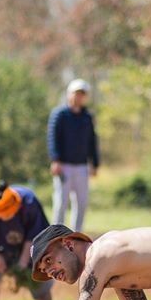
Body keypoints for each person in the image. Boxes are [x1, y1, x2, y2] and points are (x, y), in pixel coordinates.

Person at [48, 78, 99, 231]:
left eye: (82, 94)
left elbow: (92, 140)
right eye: (76, 93)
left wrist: (95, 162)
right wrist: (55, 160)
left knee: (82, 203)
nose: (79, 97)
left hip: (81, 166)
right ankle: (57, 235)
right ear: (69, 94)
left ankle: (76, 235)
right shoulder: (59, 114)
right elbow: (53, 137)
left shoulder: (87, 117)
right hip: (64, 165)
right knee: (61, 203)